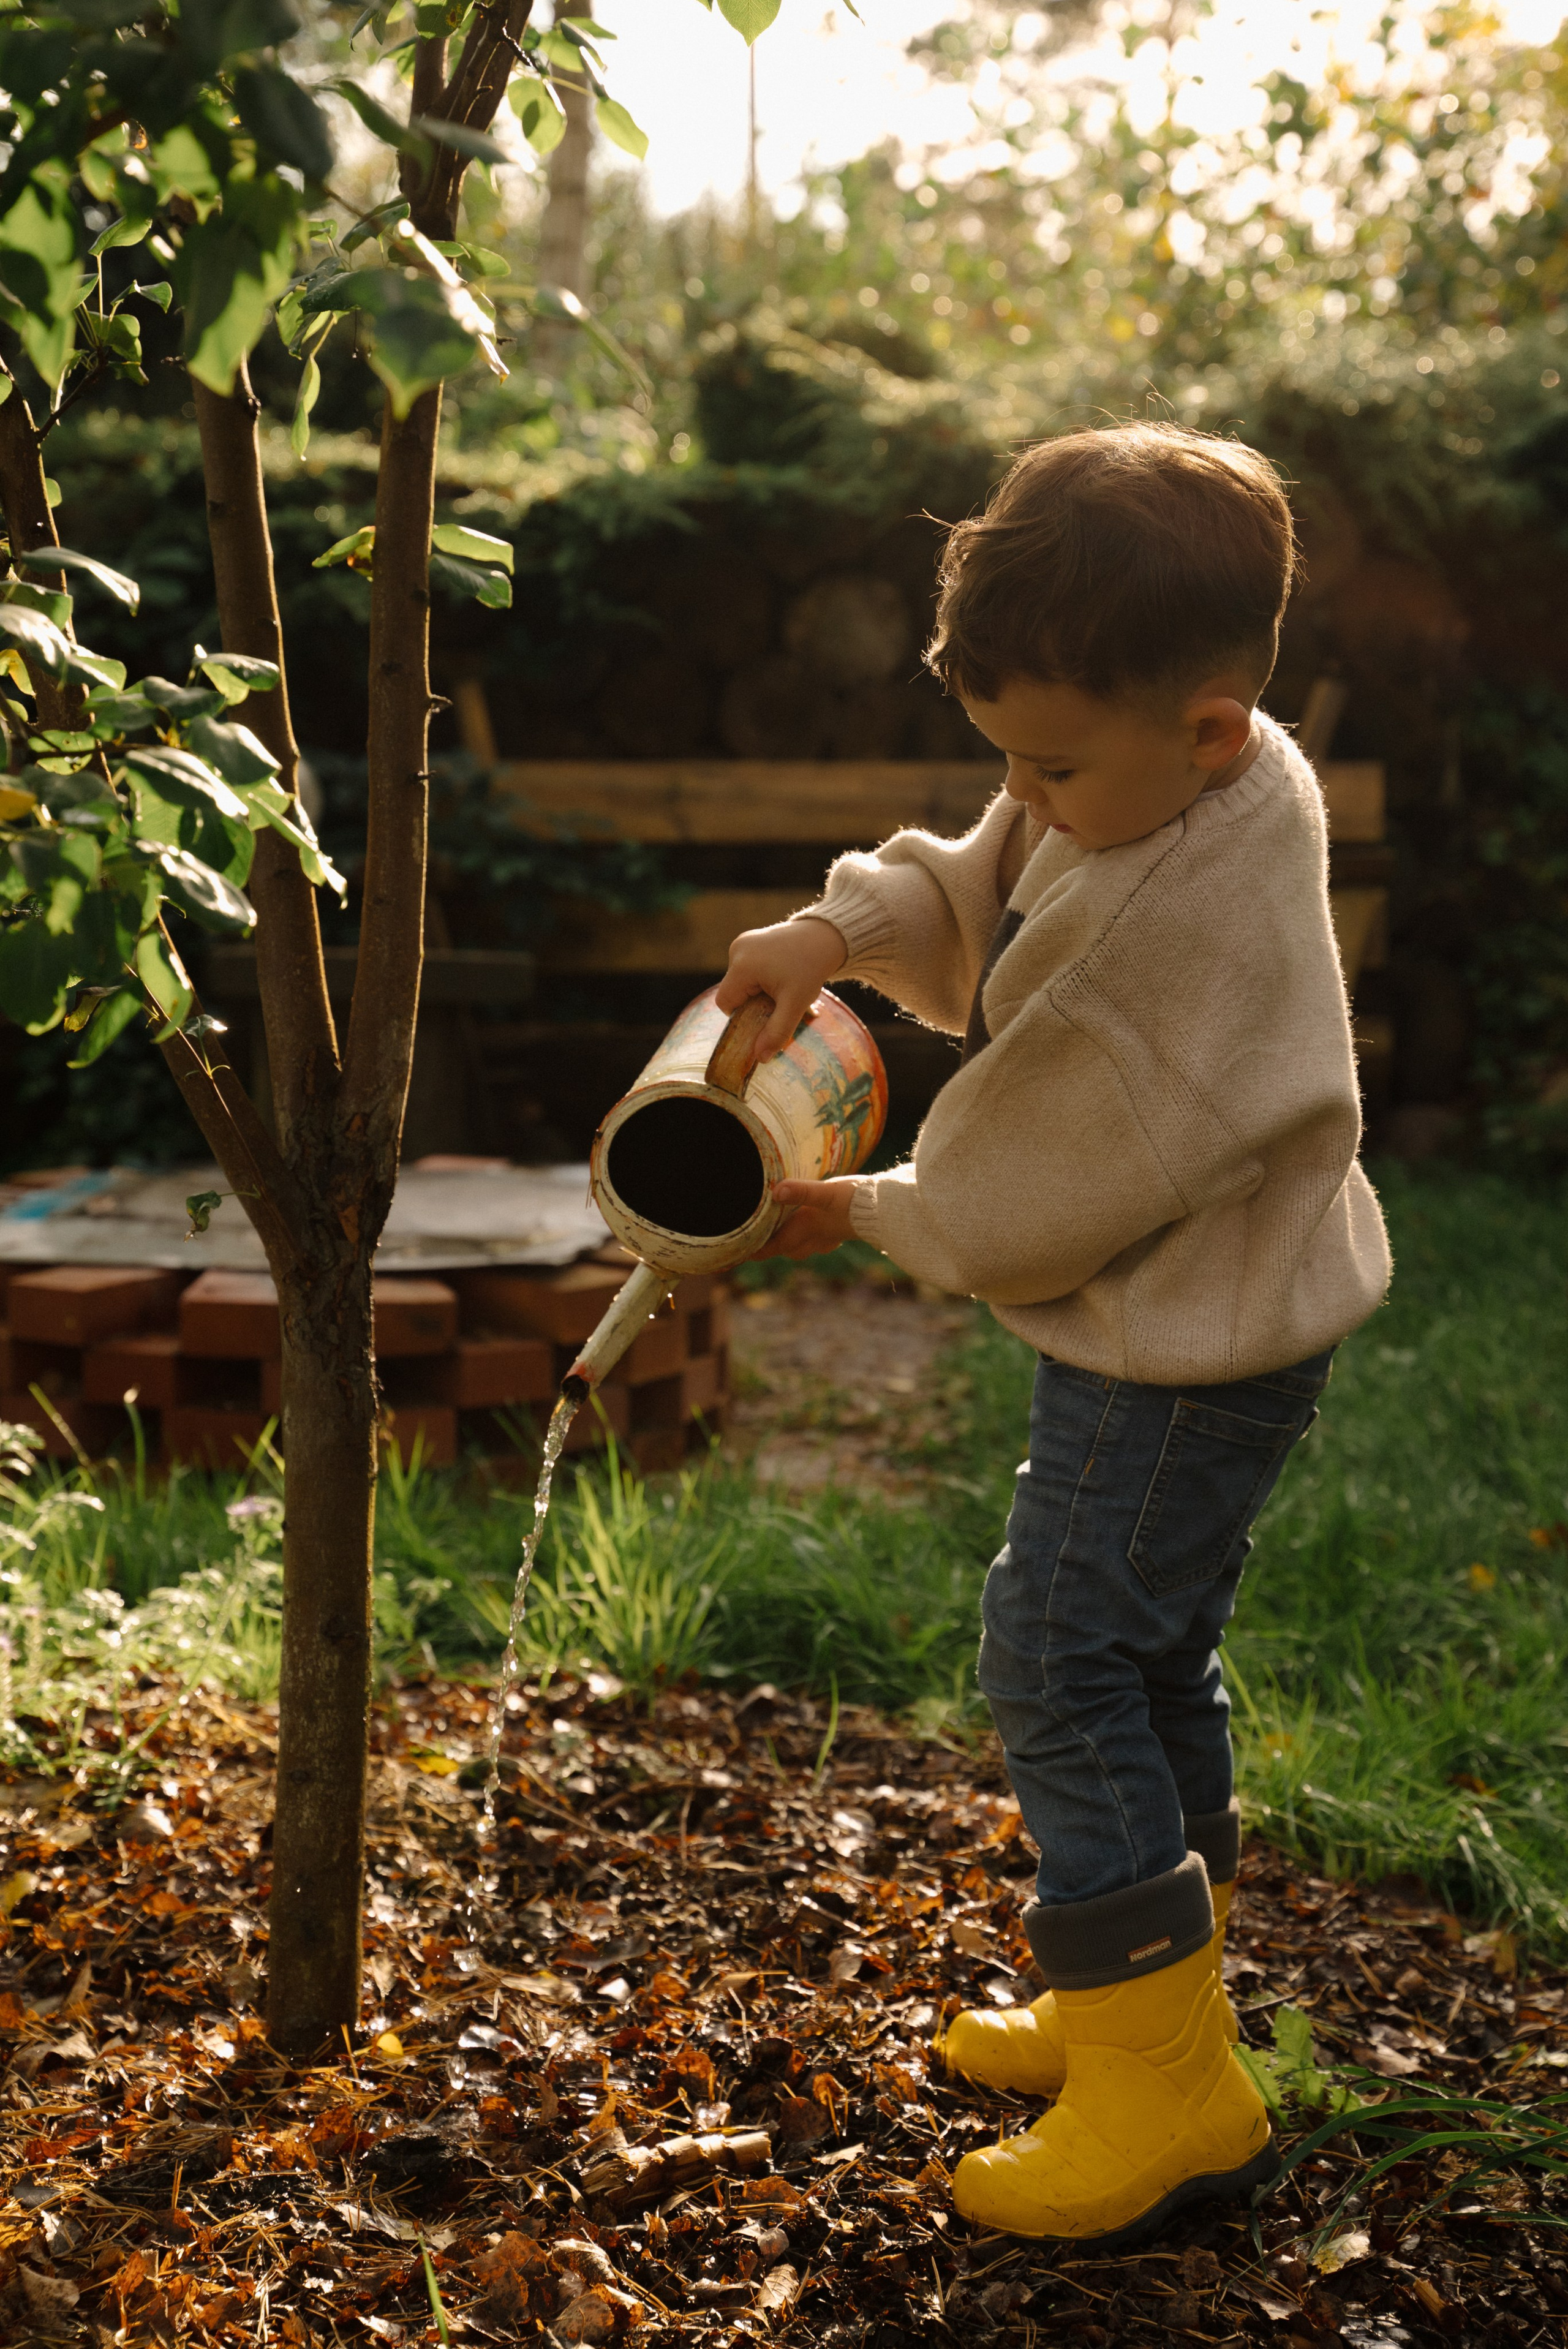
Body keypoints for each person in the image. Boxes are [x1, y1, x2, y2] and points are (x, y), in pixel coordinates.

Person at [714, 421, 1391, 2249]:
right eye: (1006, 749)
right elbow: (993, 868)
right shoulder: (1158, 772)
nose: (1024, 787)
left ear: (1209, 729)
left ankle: (1166, 2081)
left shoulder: (1176, 914)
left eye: (1049, 759)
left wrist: (843, 1207)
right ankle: (1146, 2004)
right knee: (1149, 1651)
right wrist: (830, 930)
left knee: (1059, 1649)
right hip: (1218, 1315)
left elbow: (1028, 1178)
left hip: (1178, 1345)